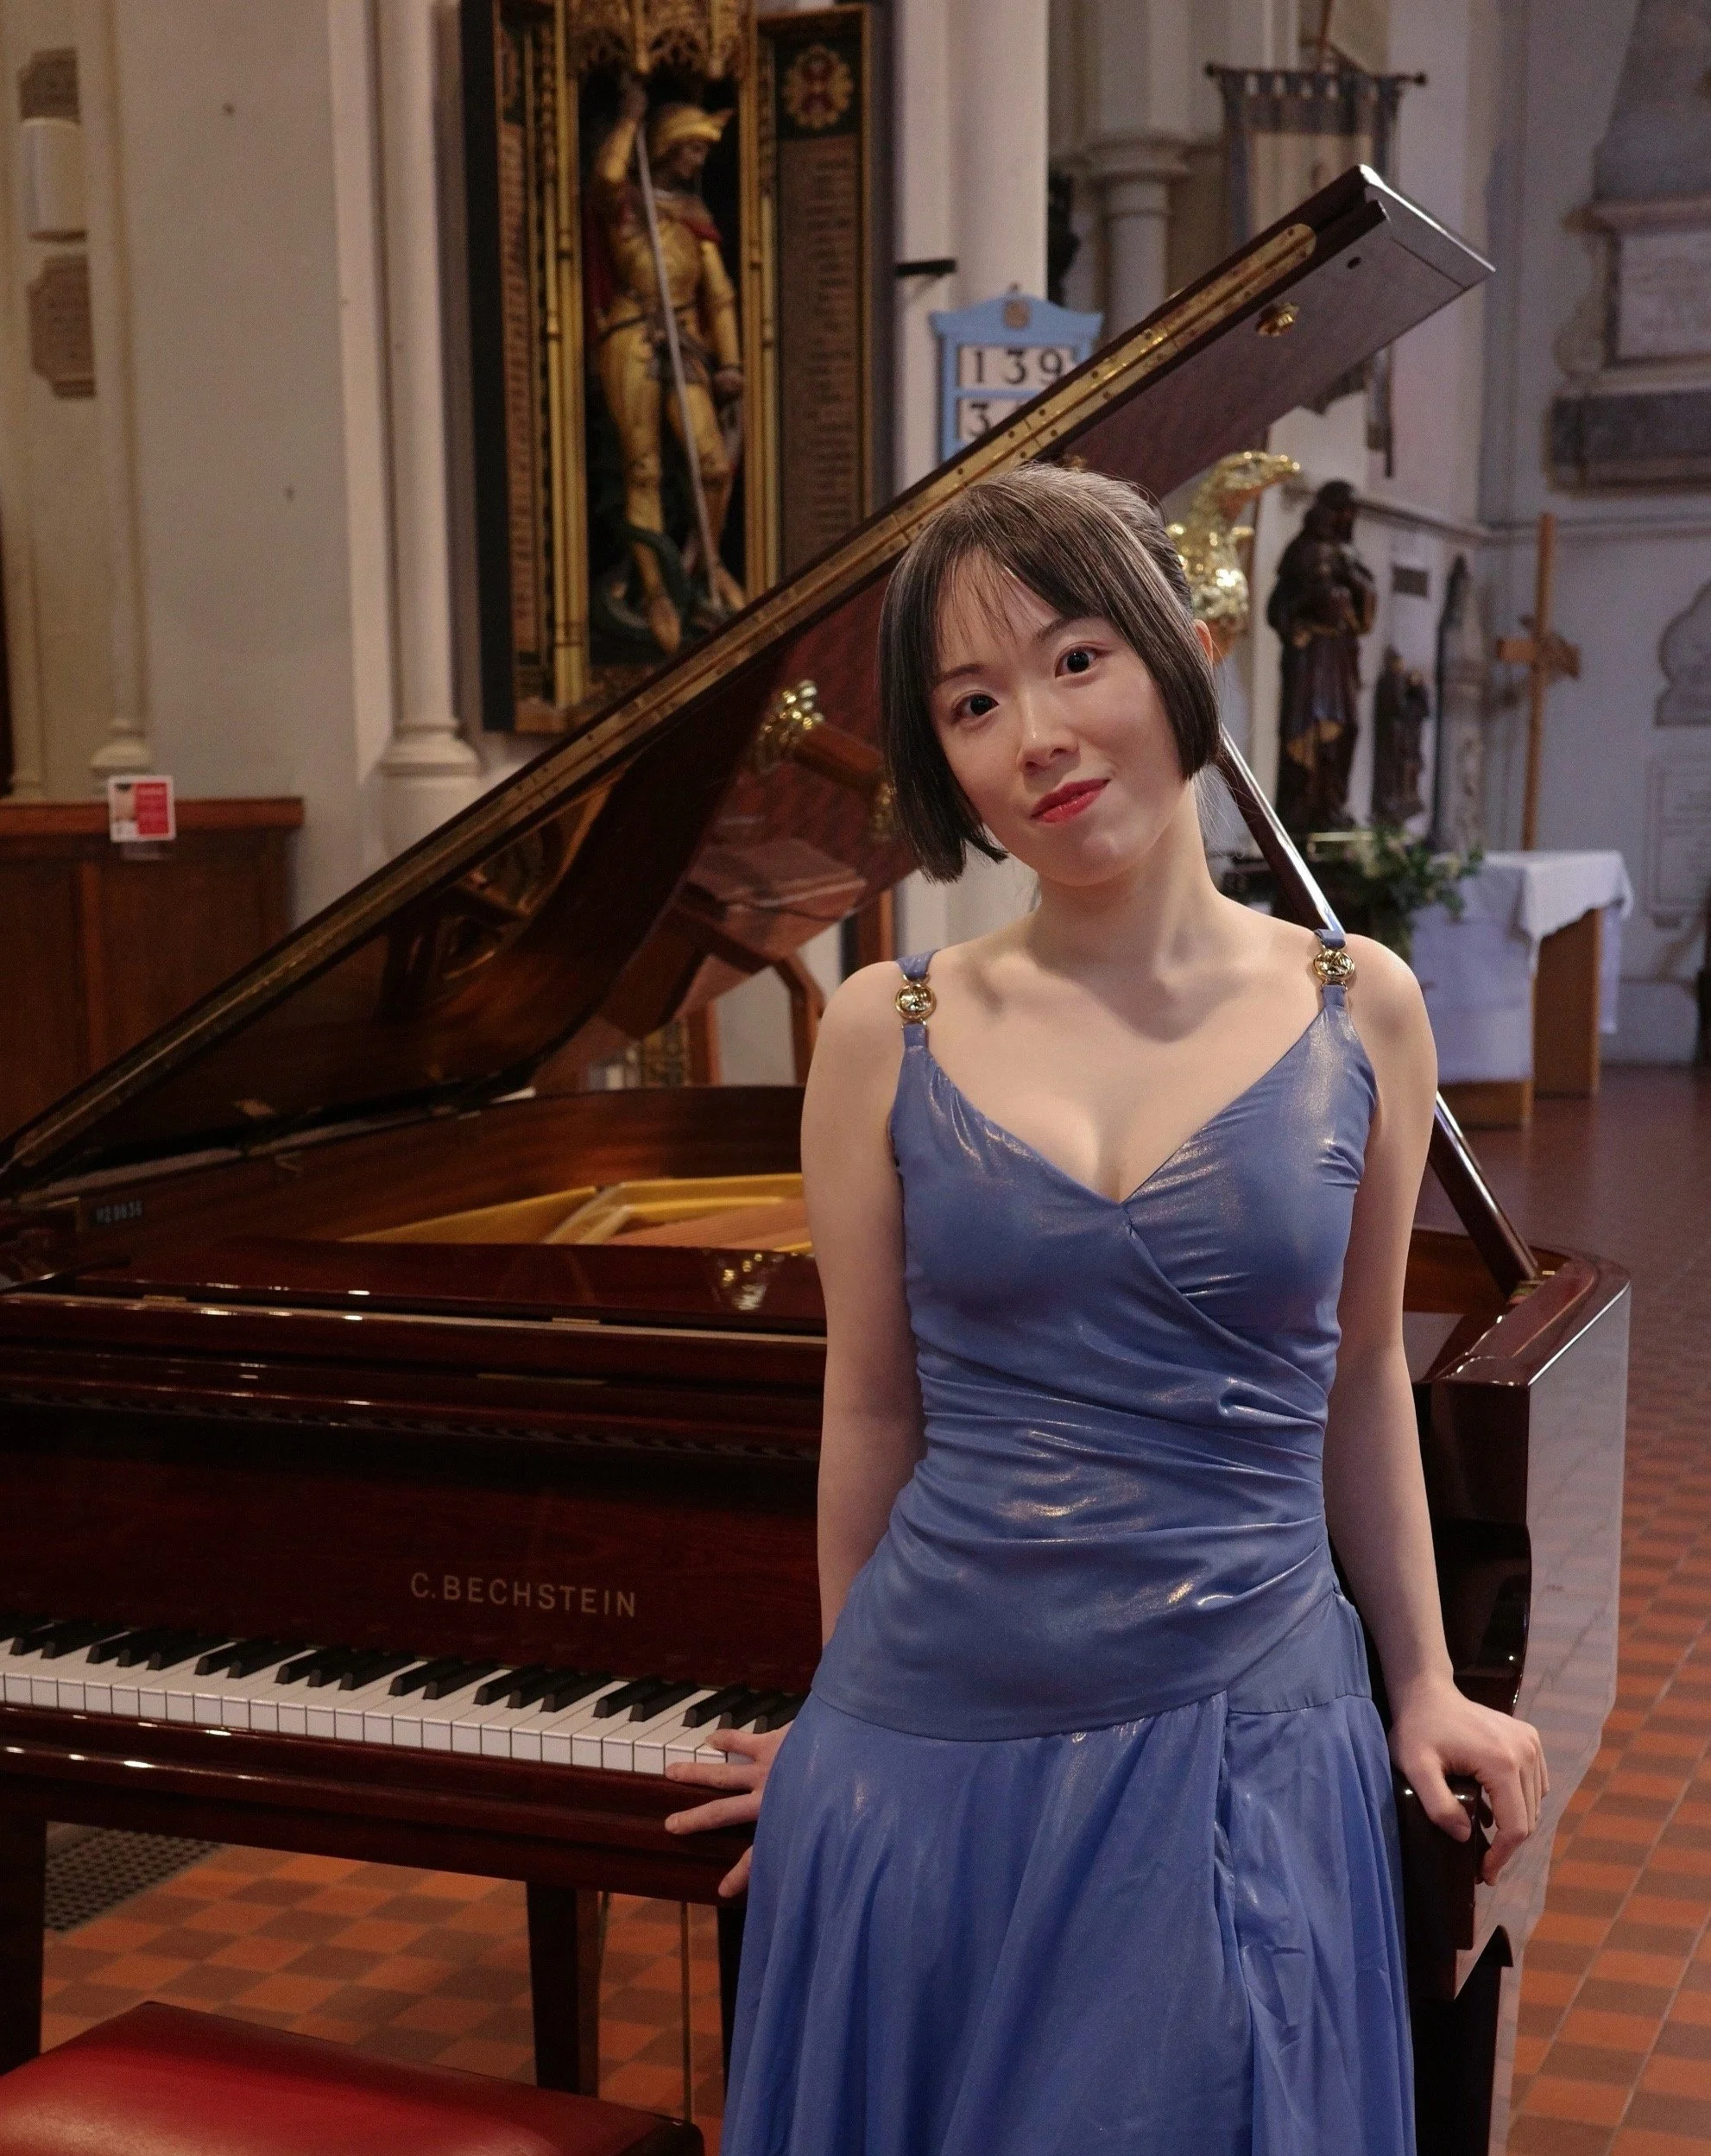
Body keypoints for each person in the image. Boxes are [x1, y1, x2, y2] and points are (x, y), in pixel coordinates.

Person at [665, 463, 1544, 2154]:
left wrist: (1422, 1677)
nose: (1037, 737)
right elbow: (870, 1412)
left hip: (1248, 1716)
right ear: (950, 771)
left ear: (1178, 651)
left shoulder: (1361, 1006)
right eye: (974, 704)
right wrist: (846, 1720)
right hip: (927, 1735)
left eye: (1076, 662)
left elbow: (1361, 1375)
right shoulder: (881, 1026)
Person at [588, 79, 745, 655]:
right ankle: (656, 589)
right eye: (692, 148)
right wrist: (629, 120)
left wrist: (730, 362)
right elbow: (604, 178)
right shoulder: (628, 201)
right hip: (633, 334)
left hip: (687, 342)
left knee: (712, 463)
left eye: (704, 151)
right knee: (645, 469)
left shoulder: (695, 212)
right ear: (665, 149)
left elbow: (719, 295)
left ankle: (702, 570)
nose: (699, 160)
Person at [1267, 477, 1377, 837]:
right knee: (1309, 731)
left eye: (1350, 513)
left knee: (1346, 731)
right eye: (1343, 511)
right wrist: (1298, 621)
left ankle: (1332, 807)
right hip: (1311, 658)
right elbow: (1278, 607)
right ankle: (1301, 813)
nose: (1346, 518)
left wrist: (1354, 583)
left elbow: (1365, 610)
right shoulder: (1302, 550)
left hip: (1341, 657)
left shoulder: (1350, 553)